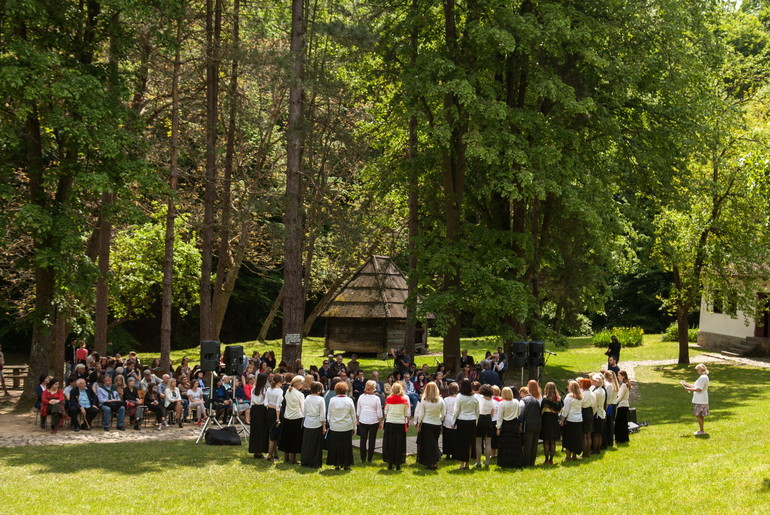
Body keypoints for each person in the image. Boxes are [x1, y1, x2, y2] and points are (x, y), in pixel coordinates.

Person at [415, 382, 445, 470]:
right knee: (435, 442)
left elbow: (421, 413)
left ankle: (430, 461)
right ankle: (434, 461)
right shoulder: (441, 400)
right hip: (436, 424)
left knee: (428, 444)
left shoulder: (424, 400)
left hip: (427, 423)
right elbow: (443, 413)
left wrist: (419, 423)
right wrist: (439, 419)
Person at [453, 379, 479, 470]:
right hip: (472, 420)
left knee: (462, 443)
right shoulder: (475, 396)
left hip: (462, 420)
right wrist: (476, 421)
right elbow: (477, 411)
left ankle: (461, 464)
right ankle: (467, 463)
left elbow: (456, 411)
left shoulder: (459, 396)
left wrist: (453, 421)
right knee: (470, 443)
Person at [278, 375, 305, 464]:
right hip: (297, 417)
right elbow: (303, 407)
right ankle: (293, 458)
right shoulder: (300, 394)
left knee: (287, 437)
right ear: (298, 384)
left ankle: (286, 456)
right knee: (295, 439)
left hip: (287, 416)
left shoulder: (287, 392)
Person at [383, 382, 410, 470]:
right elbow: (407, 413)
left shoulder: (389, 399)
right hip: (400, 423)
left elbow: (385, 412)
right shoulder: (404, 400)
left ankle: (390, 463)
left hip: (390, 423)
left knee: (390, 443)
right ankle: (398, 463)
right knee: (399, 444)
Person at [356, 380, 383, 463]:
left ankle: (363, 458)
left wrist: (358, 419)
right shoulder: (376, 398)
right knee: (372, 439)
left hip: (363, 419)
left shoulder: (361, 397)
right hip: (373, 420)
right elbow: (379, 412)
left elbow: (358, 410)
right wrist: (381, 422)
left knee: (363, 439)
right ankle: (370, 458)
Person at [301, 382, 327, 468]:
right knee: (316, 444)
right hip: (317, 423)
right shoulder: (320, 399)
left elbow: (304, 411)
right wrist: (324, 426)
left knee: (307, 443)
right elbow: (322, 415)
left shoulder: (307, 398)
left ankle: (305, 461)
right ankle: (315, 463)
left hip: (308, 422)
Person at [496, 386, 522, 468]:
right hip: (514, 424)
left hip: (506, 425)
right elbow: (518, 413)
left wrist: (498, 427)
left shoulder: (502, 403)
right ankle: (516, 462)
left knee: (505, 445)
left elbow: (499, 417)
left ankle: (505, 463)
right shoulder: (516, 402)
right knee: (515, 445)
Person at [681, 363, 710, 436]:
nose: (697, 371)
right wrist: (686, 384)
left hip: (701, 399)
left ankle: (701, 430)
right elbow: (696, 386)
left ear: (701, 369)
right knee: (700, 415)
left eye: (697, 369)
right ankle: (701, 430)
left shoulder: (703, 377)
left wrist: (688, 389)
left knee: (698, 415)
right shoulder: (702, 377)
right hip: (700, 399)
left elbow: (699, 389)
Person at [520, 380, 543, 467]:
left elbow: (521, 412)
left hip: (528, 424)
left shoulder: (524, 400)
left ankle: (526, 462)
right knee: (534, 444)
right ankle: (532, 462)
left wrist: (520, 423)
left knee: (527, 444)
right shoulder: (537, 399)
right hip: (537, 423)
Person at [560, 381, 584, 461]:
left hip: (571, 419)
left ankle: (568, 456)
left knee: (569, 438)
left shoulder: (569, 397)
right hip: (579, 419)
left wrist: (562, 419)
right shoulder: (580, 397)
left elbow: (566, 409)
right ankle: (574, 455)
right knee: (576, 438)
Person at [540, 382, 562, 464]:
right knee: (553, 441)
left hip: (546, 419)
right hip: (554, 419)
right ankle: (551, 459)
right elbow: (559, 409)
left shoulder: (545, 399)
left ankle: (546, 459)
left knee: (546, 441)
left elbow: (541, 410)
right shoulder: (558, 399)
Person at [248, 373, 270, 458]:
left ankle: (255, 450)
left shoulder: (254, 388)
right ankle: (260, 450)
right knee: (262, 431)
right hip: (261, 409)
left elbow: (252, 401)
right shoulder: (264, 389)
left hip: (254, 409)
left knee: (255, 431)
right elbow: (265, 401)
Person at [265, 375, 284, 461]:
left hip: (269, 412)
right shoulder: (279, 391)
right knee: (273, 435)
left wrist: (270, 406)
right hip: (276, 413)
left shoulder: (269, 389)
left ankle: (275, 454)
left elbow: (265, 402)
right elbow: (278, 406)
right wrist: (278, 418)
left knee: (273, 433)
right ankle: (270, 455)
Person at [578, 378, 595, 458]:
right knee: (589, 434)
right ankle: (588, 452)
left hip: (584, 412)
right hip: (590, 412)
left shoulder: (584, 394)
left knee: (584, 435)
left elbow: (580, 404)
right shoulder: (592, 393)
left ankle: (584, 453)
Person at [442, 381, 459, 460]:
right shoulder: (459, 399)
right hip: (456, 419)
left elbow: (444, 411)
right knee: (455, 437)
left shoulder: (446, 399)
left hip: (447, 419)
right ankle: (455, 453)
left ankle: (448, 453)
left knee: (447, 437)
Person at [591, 373, 607, 453]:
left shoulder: (596, 392)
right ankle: (598, 448)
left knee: (595, 433)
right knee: (599, 433)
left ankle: (595, 449)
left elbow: (594, 404)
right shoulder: (602, 390)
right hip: (601, 412)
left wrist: (592, 413)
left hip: (597, 412)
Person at [603, 370, 619, 447]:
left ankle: (609, 441)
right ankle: (610, 440)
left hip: (610, 406)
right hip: (613, 404)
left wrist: (605, 408)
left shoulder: (609, 385)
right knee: (610, 423)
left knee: (609, 423)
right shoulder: (614, 384)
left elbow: (608, 399)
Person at [614, 370, 631, 444]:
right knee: (622, 422)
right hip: (624, 405)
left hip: (622, 405)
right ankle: (623, 438)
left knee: (620, 423)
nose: (618, 377)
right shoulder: (625, 384)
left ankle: (621, 438)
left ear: (623, 376)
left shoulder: (624, 385)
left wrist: (614, 402)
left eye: (619, 375)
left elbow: (620, 396)